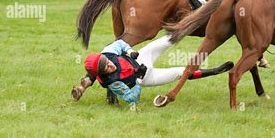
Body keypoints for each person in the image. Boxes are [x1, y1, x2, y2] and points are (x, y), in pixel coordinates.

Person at [71, 35, 233, 106]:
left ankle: (195, 21)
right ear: (102, 73)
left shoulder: (107, 51)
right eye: (106, 68)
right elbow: (132, 99)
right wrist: (140, 78)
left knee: (169, 39)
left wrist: (129, 52)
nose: (110, 66)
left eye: (107, 62)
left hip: (140, 57)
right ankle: (215, 71)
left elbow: (120, 43)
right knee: (180, 73)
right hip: (147, 77)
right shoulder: (113, 83)